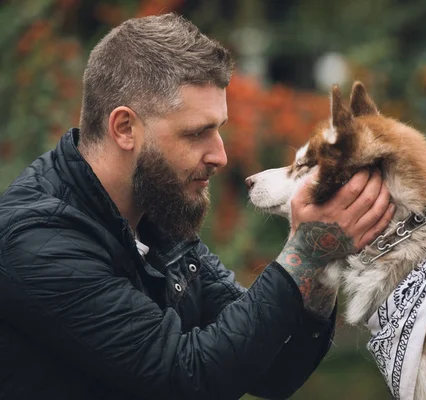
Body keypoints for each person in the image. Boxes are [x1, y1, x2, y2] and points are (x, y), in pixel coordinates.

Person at [0, 13, 394, 400]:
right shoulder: (37, 240)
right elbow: (185, 377)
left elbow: (272, 370)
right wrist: (305, 251)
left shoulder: (157, 218)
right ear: (124, 129)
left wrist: (322, 264)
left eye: (218, 128)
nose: (220, 155)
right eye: (196, 133)